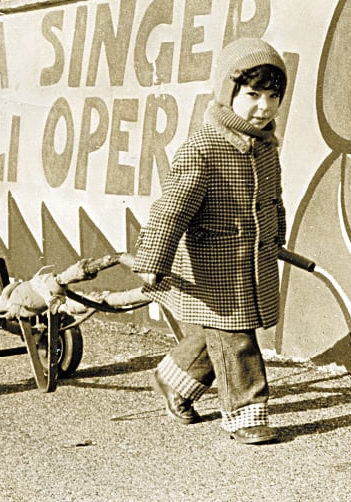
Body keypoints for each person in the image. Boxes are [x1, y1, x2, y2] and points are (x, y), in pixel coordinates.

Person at [132, 37, 288, 445]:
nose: (264, 107)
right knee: (236, 339)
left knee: (219, 330)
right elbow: (173, 208)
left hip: (252, 260)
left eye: (273, 96)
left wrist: (276, 238)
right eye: (252, 95)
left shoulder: (265, 146)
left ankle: (174, 382)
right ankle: (245, 413)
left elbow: (273, 199)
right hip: (212, 263)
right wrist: (153, 259)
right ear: (228, 92)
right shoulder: (204, 146)